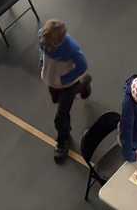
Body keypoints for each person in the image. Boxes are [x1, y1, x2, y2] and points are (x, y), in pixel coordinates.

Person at [39, 20, 92, 164]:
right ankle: (84, 83)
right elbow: (41, 50)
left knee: (60, 117)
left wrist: (65, 80)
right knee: (56, 100)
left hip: (66, 86)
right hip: (51, 81)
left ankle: (63, 139)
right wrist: (42, 63)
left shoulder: (70, 48)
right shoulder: (43, 37)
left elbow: (82, 65)